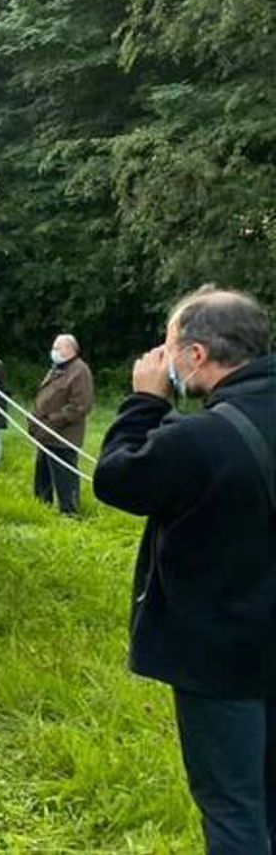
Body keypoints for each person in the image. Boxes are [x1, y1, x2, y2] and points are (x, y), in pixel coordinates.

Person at [92, 287, 275, 854]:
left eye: (169, 346)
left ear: (196, 355)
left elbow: (117, 479)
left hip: (223, 654)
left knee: (233, 805)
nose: (161, 357)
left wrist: (144, 401)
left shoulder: (202, 437)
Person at [32, 333, 94, 515]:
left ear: (70, 349)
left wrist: (53, 419)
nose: (54, 351)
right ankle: (41, 509)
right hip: (45, 433)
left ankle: (70, 513)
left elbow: (81, 405)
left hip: (63, 435)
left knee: (65, 476)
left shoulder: (79, 371)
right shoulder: (57, 368)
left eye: (58, 347)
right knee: (42, 475)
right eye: (54, 347)